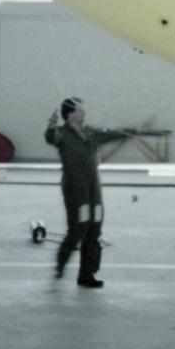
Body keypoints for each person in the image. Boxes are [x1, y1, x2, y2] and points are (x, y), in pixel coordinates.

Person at [44, 97, 131, 288]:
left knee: (94, 229)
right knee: (78, 229)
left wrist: (132, 131)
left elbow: (112, 134)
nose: (84, 112)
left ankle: (87, 275)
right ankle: (60, 265)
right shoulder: (61, 133)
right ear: (70, 114)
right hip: (76, 189)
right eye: (80, 109)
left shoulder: (89, 132)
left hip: (93, 189)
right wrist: (51, 126)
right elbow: (51, 137)